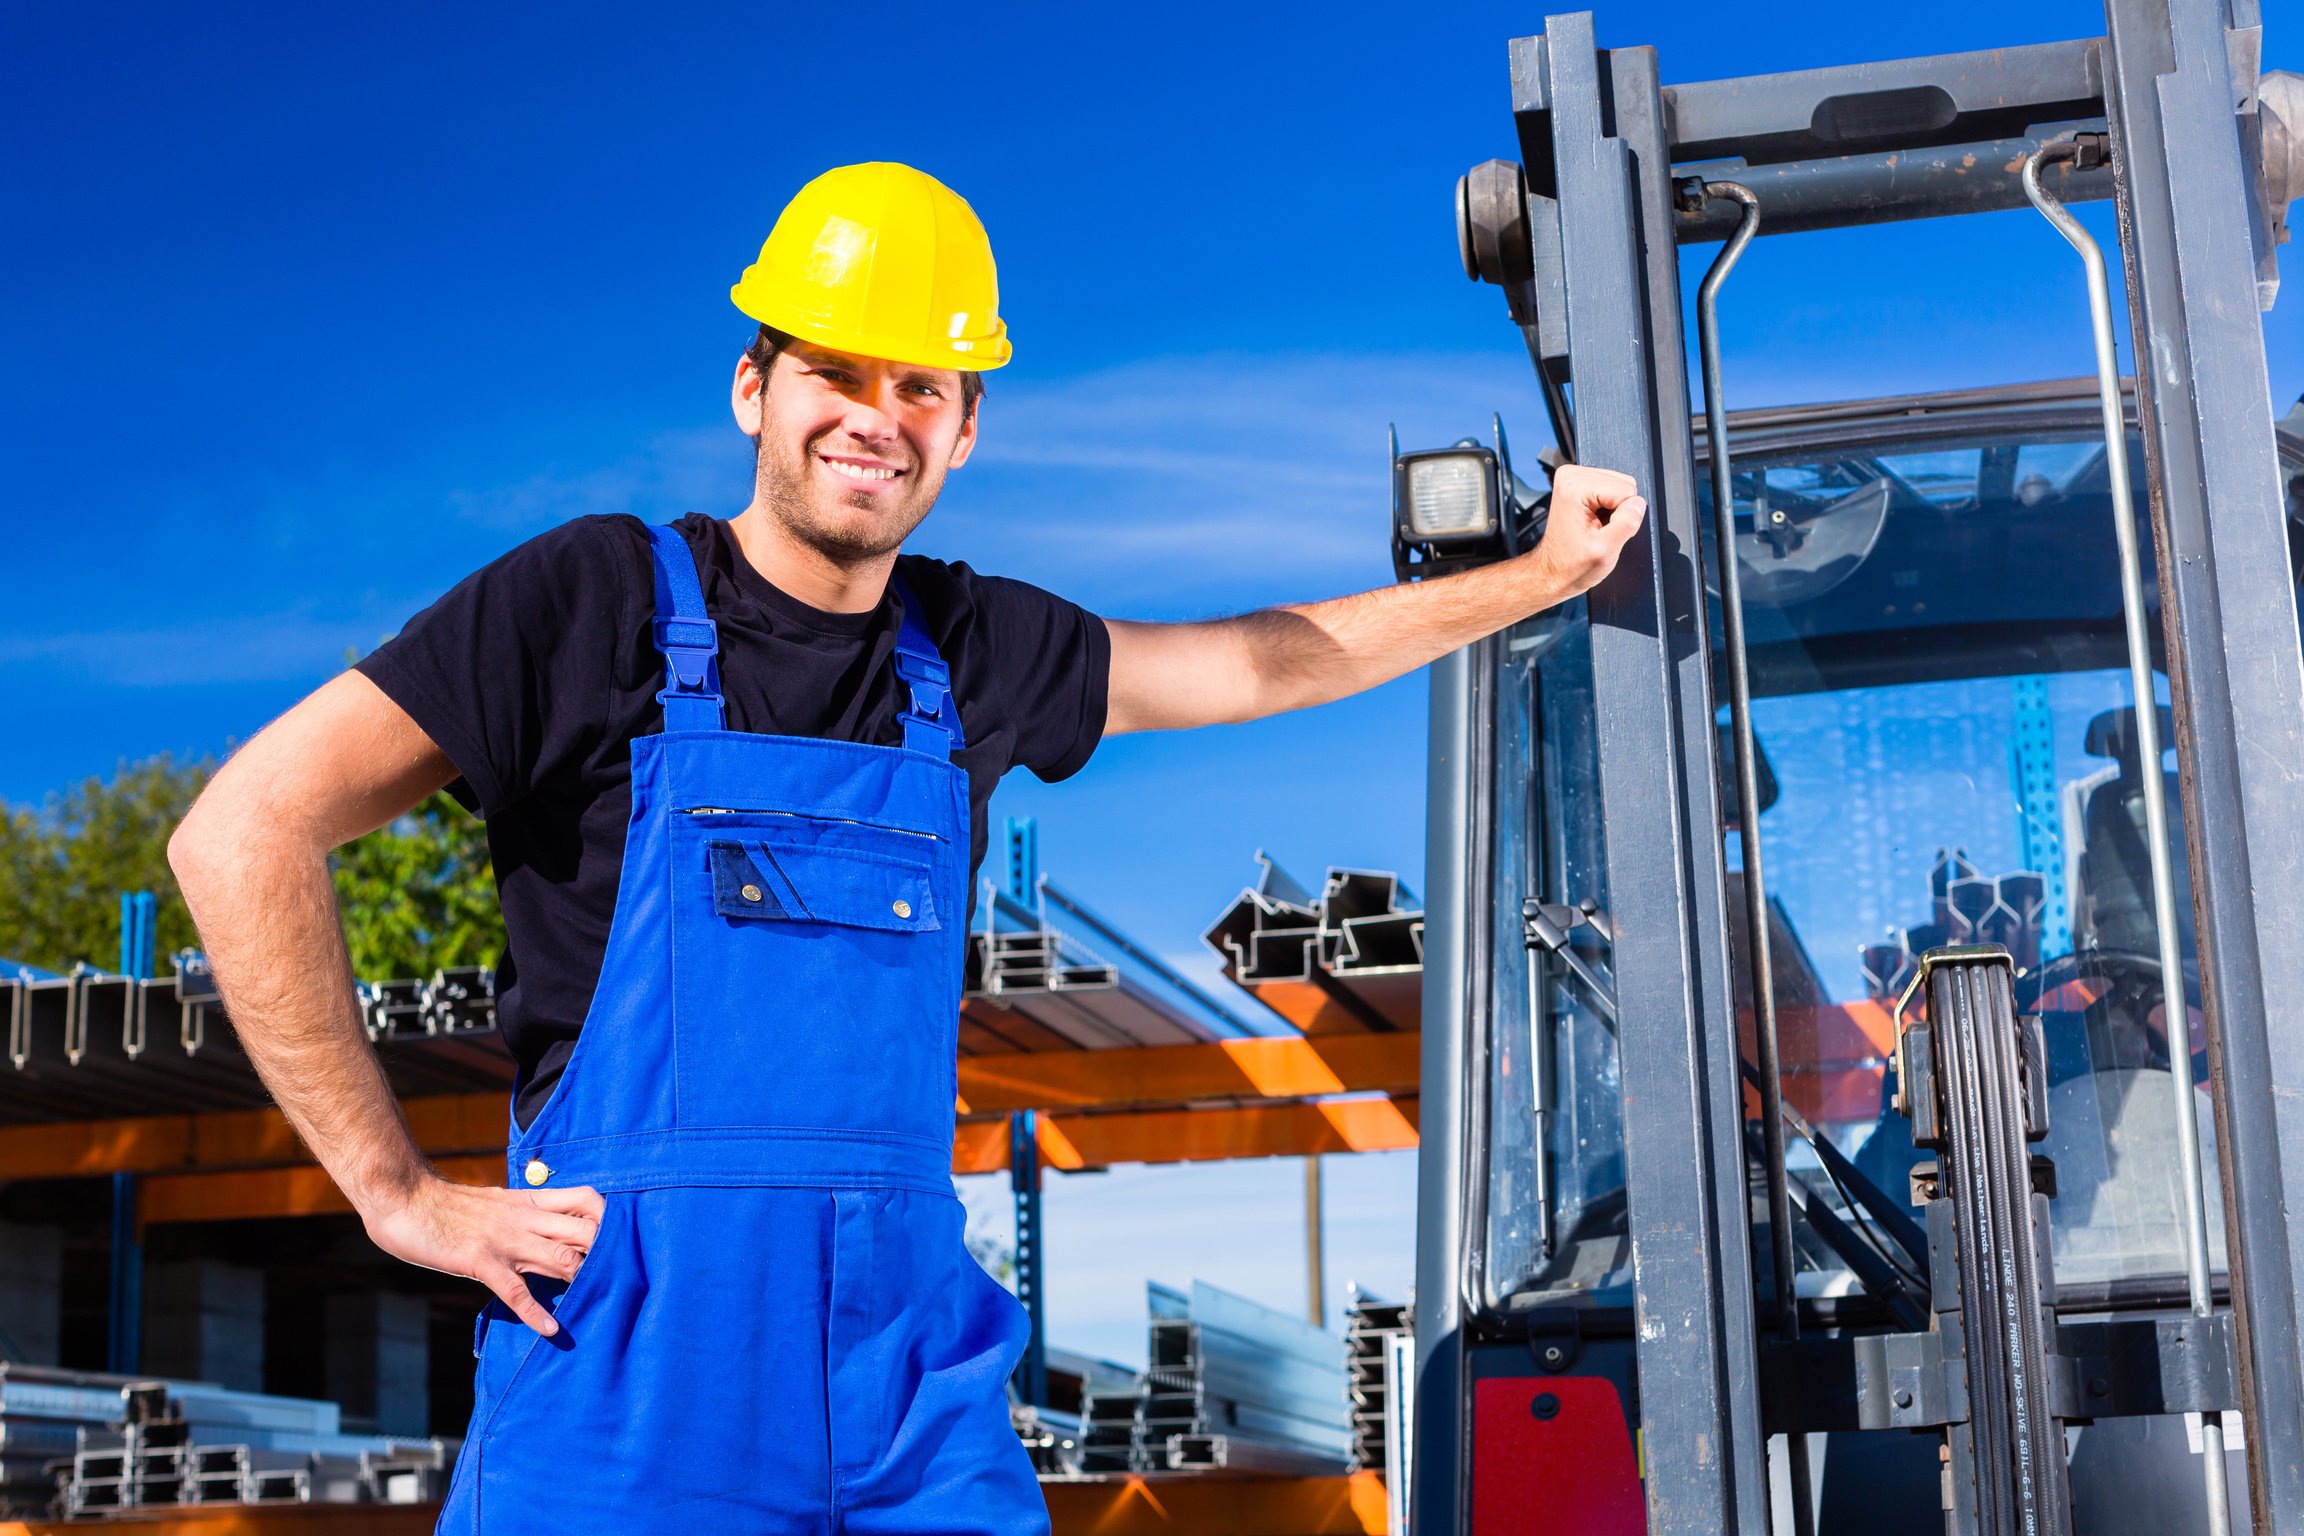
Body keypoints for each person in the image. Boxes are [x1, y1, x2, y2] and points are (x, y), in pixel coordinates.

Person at [167, 162, 1644, 1534]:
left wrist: (1540, 577)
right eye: (834, 371)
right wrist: (396, 1194)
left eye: (921, 384)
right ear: (754, 386)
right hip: (625, 1376)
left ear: (965, 423)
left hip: (909, 1396)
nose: (877, 414)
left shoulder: (977, 648)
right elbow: (241, 832)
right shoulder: (587, 605)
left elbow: (1260, 663)